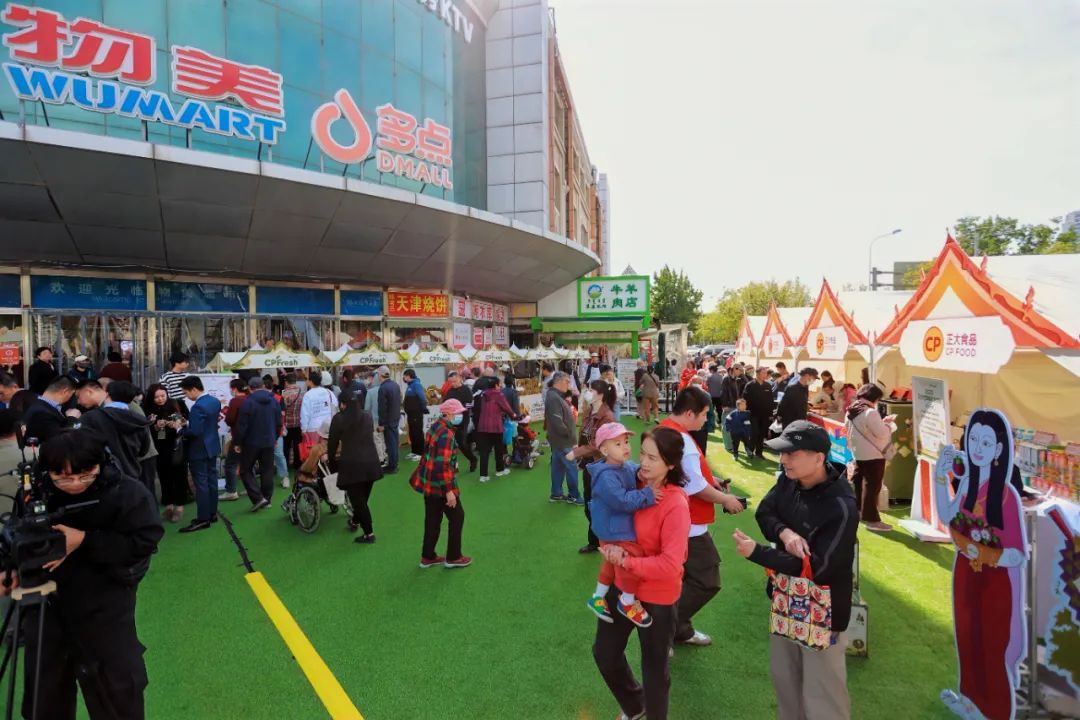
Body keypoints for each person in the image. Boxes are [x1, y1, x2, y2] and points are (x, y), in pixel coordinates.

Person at [15, 431, 162, 720]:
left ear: (101, 463)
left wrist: (84, 540)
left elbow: (145, 541)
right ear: (47, 471)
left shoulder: (126, 492)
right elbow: (19, 536)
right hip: (45, 601)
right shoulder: (35, 493)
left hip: (105, 601)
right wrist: (11, 568)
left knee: (117, 690)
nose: (74, 483)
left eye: (84, 475)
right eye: (62, 477)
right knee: (44, 693)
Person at [732, 420, 858, 720]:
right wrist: (785, 533)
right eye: (782, 452)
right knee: (785, 683)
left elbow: (820, 569)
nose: (784, 459)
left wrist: (759, 553)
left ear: (819, 458)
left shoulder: (841, 505)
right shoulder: (789, 481)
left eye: (792, 453)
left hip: (824, 611)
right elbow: (765, 512)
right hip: (784, 599)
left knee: (824, 696)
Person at [593, 427, 690, 720]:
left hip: (657, 596)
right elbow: (605, 514)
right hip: (623, 586)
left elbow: (671, 564)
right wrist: (609, 547)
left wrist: (627, 562)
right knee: (605, 653)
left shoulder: (675, 502)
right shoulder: (626, 481)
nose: (643, 464)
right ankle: (635, 706)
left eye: (653, 458)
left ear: (671, 464)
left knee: (654, 671)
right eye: (642, 454)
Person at [660, 386, 745, 647]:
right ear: (689, 413)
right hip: (686, 522)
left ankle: (675, 629)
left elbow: (687, 476)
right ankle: (665, 629)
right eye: (704, 414)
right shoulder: (681, 439)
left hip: (671, 518)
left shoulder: (665, 429)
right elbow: (694, 486)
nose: (706, 419)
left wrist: (711, 479)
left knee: (681, 579)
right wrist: (726, 499)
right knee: (706, 580)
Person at [586, 422, 659, 628]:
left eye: (626, 441)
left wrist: (640, 472)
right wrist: (647, 494)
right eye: (618, 444)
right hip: (613, 529)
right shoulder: (606, 477)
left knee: (611, 562)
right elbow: (622, 501)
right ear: (604, 450)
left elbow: (632, 469)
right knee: (630, 557)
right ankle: (627, 601)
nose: (626, 447)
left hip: (611, 526)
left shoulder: (622, 465)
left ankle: (597, 597)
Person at [409, 399, 471, 569]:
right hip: (440, 484)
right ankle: (453, 557)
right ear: (449, 413)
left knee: (432, 519)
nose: (460, 416)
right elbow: (441, 465)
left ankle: (428, 556)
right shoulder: (447, 434)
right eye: (458, 413)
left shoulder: (435, 427)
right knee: (457, 517)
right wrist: (448, 491)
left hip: (429, 483)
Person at [327, 390, 384, 544]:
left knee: (359, 502)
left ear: (343, 404)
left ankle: (369, 534)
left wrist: (332, 463)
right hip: (371, 462)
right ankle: (354, 521)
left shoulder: (339, 419)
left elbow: (332, 444)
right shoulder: (367, 416)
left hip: (352, 464)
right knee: (362, 499)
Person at [571, 379, 618, 552]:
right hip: (590, 464)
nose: (587, 393)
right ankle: (596, 540)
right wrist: (580, 455)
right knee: (590, 504)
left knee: (597, 505)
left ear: (601, 394)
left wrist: (576, 453)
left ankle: (603, 540)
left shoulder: (607, 416)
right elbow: (585, 436)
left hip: (600, 465)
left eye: (591, 390)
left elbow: (598, 444)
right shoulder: (590, 411)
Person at [76, 380, 151, 487]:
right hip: (132, 478)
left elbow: (77, 444)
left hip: (104, 479)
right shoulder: (139, 420)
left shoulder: (90, 418)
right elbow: (143, 450)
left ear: (107, 394)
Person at [845, 384, 897, 532]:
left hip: (858, 453)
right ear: (875, 398)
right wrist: (890, 425)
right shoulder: (870, 412)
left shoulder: (851, 410)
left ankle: (857, 511)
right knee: (872, 487)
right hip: (873, 455)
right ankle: (872, 520)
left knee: (859, 485)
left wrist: (882, 423)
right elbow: (882, 433)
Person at [178, 376, 221, 533]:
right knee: (212, 481)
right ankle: (212, 513)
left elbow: (194, 431)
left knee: (201, 484)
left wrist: (180, 429)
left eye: (186, 392)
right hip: (212, 445)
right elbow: (206, 424)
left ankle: (203, 519)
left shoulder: (197, 407)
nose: (186, 396)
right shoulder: (214, 401)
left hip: (199, 449)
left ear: (194, 390)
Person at [234, 376, 282, 512]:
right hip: (269, 440)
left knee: (245, 470)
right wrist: (275, 438)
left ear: (250, 388)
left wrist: (237, 442)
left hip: (251, 442)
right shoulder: (274, 401)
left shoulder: (248, 402)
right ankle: (266, 498)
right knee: (267, 470)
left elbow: (242, 425)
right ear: (263, 386)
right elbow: (279, 422)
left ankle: (258, 498)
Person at [143, 383, 188, 523]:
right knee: (164, 477)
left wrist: (177, 425)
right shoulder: (147, 408)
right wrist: (156, 427)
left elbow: (186, 421)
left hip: (176, 445)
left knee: (179, 476)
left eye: (163, 395)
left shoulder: (176, 404)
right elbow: (145, 430)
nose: (160, 399)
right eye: (156, 397)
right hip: (159, 447)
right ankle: (168, 507)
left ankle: (179, 507)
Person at [545, 371, 582, 504]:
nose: (569, 385)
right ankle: (574, 495)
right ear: (559, 381)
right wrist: (569, 434)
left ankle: (556, 494)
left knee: (558, 467)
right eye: (567, 381)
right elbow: (557, 421)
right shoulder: (554, 397)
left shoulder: (554, 395)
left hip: (558, 440)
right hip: (563, 440)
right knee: (571, 468)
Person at [475, 376, 517, 482]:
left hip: (482, 426)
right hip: (495, 426)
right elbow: (507, 408)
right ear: (496, 385)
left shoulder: (482, 394)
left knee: (484, 452)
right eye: (499, 384)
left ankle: (483, 475)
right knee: (499, 449)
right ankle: (500, 470)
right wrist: (514, 416)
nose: (500, 386)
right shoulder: (498, 394)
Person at [23, 376, 78, 443]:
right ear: (65, 391)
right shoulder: (41, 414)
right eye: (72, 394)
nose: (72, 398)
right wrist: (72, 419)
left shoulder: (41, 405)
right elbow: (61, 441)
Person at [220, 378, 250, 502]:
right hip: (250, 436)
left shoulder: (235, 401)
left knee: (230, 464)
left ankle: (231, 491)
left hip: (238, 437)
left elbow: (230, 419)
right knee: (248, 463)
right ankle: (250, 487)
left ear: (234, 389)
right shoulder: (250, 399)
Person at [443, 372, 478, 472]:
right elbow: (445, 404)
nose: (452, 384)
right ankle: (454, 465)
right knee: (450, 443)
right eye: (451, 382)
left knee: (461, 443)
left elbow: (471, 404)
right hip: (451, 420)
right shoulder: (449, 392)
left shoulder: (466, 390)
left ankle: (472, 459)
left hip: (463, 419)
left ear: (459, 379)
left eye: (454, 381)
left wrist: (459, 409)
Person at [743, 367, 774, 459]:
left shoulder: (768, 385)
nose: (765, 375)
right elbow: (745, 399)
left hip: (764, 415)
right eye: (763, 373)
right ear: (757, 374)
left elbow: (770, 400)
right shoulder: (750, 385)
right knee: (754, 433)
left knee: (762, 433)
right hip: (753, 414)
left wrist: (770, 414)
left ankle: (759, 453)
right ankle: (750, 451)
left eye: (766, 373)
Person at [376, 365, 402, 473]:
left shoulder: (383, 388)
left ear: (380, 375)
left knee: (390, 444)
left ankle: (392, 467)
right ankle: (394, 464)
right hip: (395, 418)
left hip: (388, 421)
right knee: (394, 443)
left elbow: (382, 408)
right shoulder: (395, 385)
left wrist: (382, 424)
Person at [301, 370, 336, 446]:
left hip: (313, 428)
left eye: (307, 379)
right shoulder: (329, 392)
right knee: (326, 449)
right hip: (328, 427)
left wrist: (303, 429)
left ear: (311, 381)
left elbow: (305, 414)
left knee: (314, 451)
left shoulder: (308, 395)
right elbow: (335, 408)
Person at [402, 368, 428, 462]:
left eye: (404, 376)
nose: (404, 378)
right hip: (411, 413)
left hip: (417, 413)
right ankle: (414, 451)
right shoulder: (410, 385)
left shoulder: (416, 384)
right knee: (412, 432)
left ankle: (420, 453)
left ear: (409, 376)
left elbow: (422, 397)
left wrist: (424, 407)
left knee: (417, 432)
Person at [719, 364, 745, 452]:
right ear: (734, 369)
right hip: (728, 406)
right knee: (726, 427)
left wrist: (742, 374)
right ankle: (728, 446)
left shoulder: (737, 379)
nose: (741, 372)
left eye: (742, 370)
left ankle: (732, 445)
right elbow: (723, 392)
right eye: (740, 370)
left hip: (735, 406)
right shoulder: (726, 379)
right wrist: (724, 405)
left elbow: (746, 382)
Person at [281, 373, 304, 469]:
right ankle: (297, 464)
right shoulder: (302, 392)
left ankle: (286, 464)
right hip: (298, 422)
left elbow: (282, 409)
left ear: (286, 382)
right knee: (297, 445)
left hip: (287, 423)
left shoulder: (283, 394)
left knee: (286, 446)